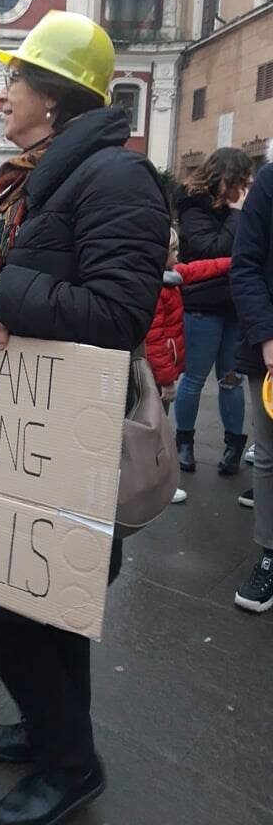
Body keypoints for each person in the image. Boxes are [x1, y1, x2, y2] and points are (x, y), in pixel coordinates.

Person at [0, 10, 169, 825]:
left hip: (66, 436)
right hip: (17, 428)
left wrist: (6, 295)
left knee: (12, 592)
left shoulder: (115, 178)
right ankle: (55, 731)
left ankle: (71, 763)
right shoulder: (36, 176)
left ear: (55, 96)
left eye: (14, 80)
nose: (2, 97)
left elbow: (117, 313)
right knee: (26, 592)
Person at [173, 148, 253, 476]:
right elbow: (212, 249)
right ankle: (185, 442)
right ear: (226, 179)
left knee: (231, 381)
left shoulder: (243, 210)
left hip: (236, 307)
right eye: (242, 181)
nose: (248, 187)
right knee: (193, 379)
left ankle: (234, 445)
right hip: (202, 305)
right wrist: (237, 215)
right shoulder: (194, 205)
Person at [145, 227, 232, 505]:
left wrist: (232, 262)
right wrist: (167, 379)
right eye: (173, 250)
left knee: (154, 428)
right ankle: (153, 487)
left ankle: (151, 483)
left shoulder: (169, 278)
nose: (178, 254)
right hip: (158, 377)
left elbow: (199, 269)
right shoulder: (158, 289)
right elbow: (154, 340)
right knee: (154, 430)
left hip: (160, 374)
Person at [230, 142, 273, 611]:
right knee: (269, 455)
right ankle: (270, 553)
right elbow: (246, 267)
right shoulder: (270, 185)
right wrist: (267, 337)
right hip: (271, 349)